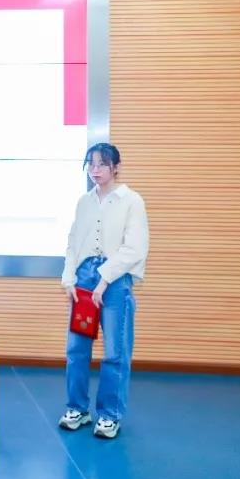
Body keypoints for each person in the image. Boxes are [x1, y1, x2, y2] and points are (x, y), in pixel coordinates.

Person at [58, 142, 149, 440]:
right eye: (91, 164)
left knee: (115, 352)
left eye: (102, 164)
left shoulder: (131, 201)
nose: (95, 170)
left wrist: (104, 280)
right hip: (84, 278)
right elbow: (73, 243)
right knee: (76, 349)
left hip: (116, 280)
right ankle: (77, 408)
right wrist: (69, 279)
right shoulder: (84, 202)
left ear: (116, 167)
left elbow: (134, 249)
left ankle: (109, 415)